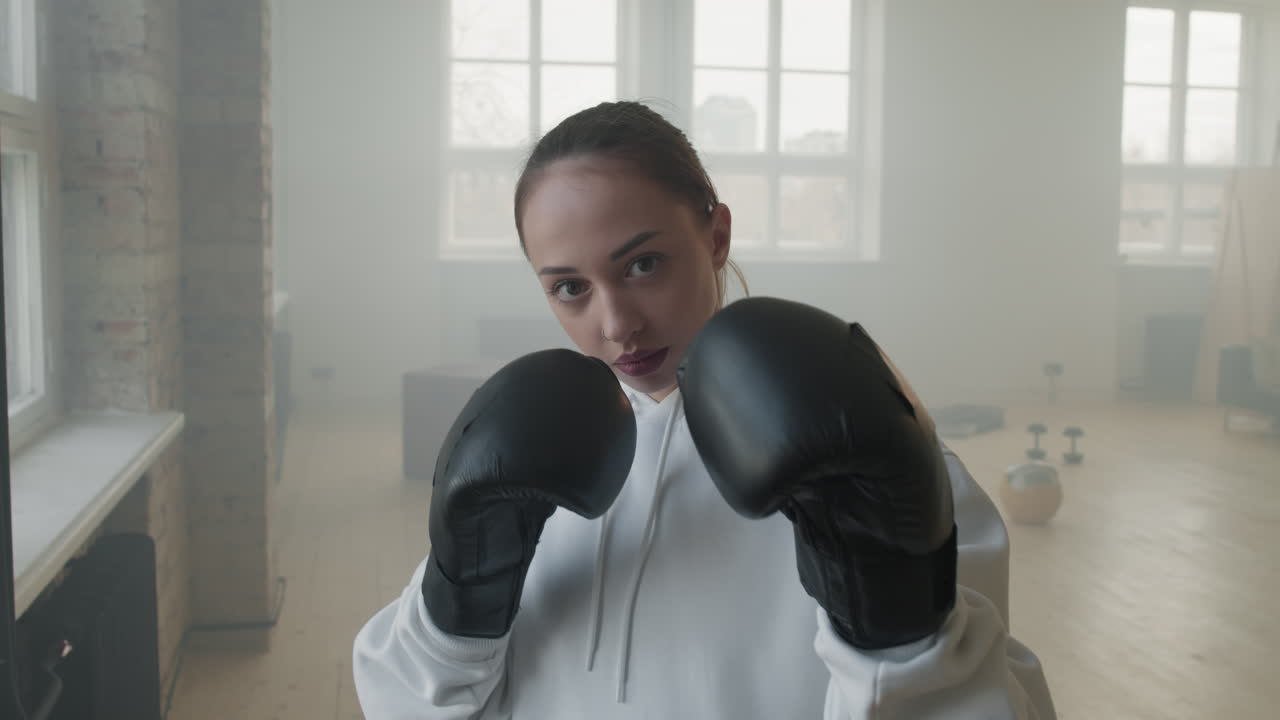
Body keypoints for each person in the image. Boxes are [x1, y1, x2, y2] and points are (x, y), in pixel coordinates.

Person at [352, 100, 1058, 719]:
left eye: (643, 265)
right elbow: (410, 703)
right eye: (570, 288)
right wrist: (461, 594)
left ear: (715, 236)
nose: (618, 322)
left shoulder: (874, 461)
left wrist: (896, 625)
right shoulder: (529, 462)